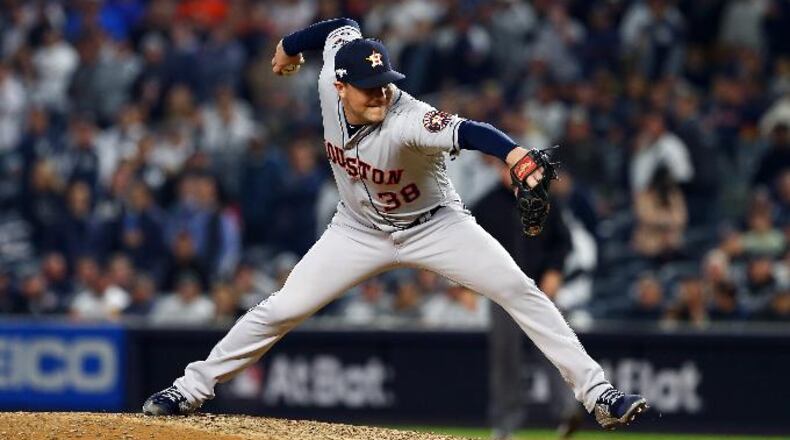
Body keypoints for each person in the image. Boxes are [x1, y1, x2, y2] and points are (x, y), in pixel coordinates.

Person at [143, 18, 647, 430]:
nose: (381, 94)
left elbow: (470, 131)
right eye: (367, 88)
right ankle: (189, 388)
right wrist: (288, 45)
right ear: (339, 86)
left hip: (435, 226)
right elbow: (341, 25)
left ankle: (598, 394)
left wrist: (515, 156)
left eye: (385, 83)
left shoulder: (410, 119)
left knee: (520, 289)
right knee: (281, 309)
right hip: (356, 229)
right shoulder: (328, 79)